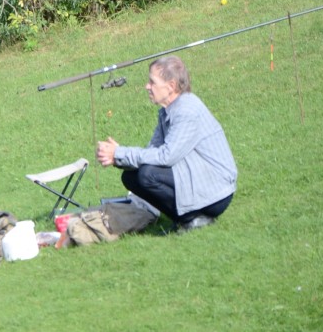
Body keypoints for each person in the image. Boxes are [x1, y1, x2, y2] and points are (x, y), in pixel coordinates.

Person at [95, 56, 237, 231]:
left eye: (152, 82)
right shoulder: (168, 111)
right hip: (195, 176)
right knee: (131, 177)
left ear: (171, 86)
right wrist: (118, 158)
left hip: (215, 192)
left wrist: (119, 153)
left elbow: (166, 156)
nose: (147, 86)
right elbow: (152, 152)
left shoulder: (186, 112)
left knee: (147, 175)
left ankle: (192, 219)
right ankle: (186, 219)